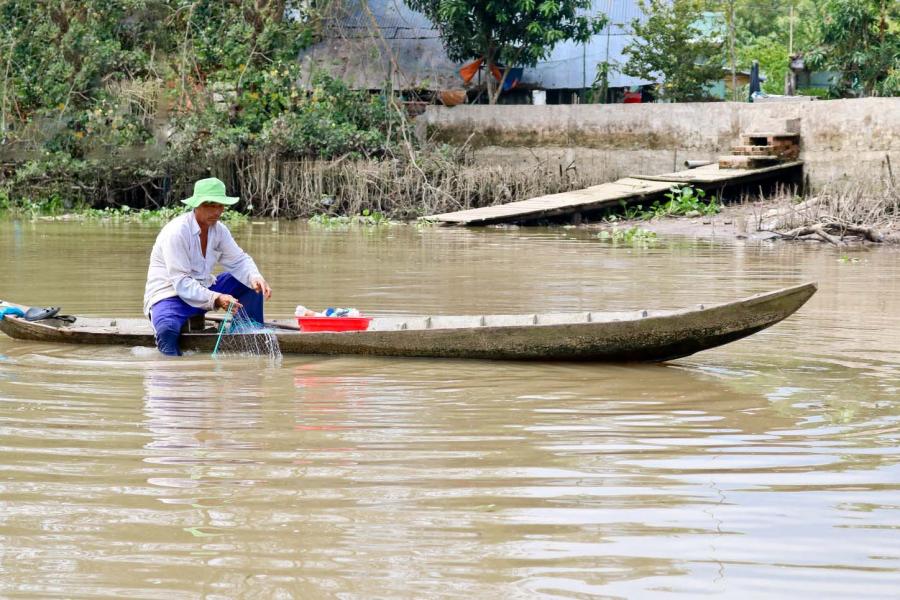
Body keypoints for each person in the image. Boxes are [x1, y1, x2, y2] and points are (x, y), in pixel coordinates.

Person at [143, 177, 272, 356]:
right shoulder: (177, 232)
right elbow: (181, 282)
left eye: (220, 205)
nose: (217, 211)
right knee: (167, 331)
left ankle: (246, 334)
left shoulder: (219, 230)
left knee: (249, 283)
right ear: (197, 205)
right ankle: (171, 369)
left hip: (203, 289)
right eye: (211, 205)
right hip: (170, 296)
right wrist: (217, 298)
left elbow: (239, 260)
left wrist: (255, 277)